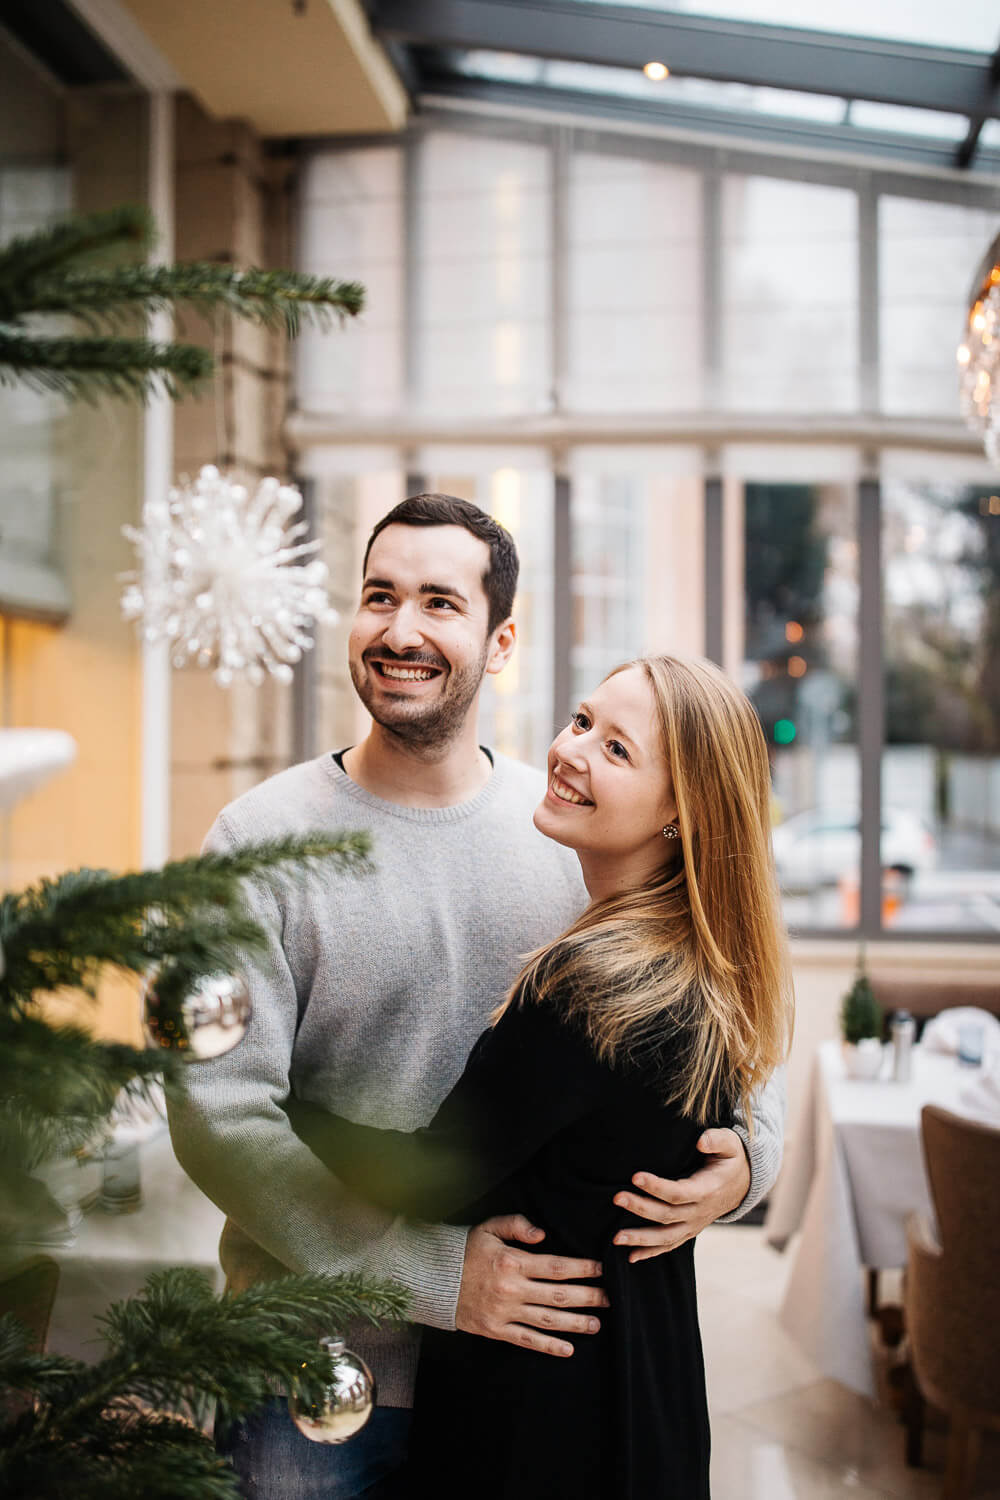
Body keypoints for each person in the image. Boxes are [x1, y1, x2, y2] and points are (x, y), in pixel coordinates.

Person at [168, 496, 787, 1500]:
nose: (400, 630)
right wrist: (437, 1277)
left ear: (499, 641)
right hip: (308, 1374)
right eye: (379, 596)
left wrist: (750, 1154)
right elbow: (215, 1115)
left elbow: (727, 981)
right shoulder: (254, 843)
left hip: (519, 1388)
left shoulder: (575, 837)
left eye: (438, 602)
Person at [291, 652, 794, 1498]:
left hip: (552, 1407)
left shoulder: (596, 987)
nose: (573, 749)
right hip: (648, 1377)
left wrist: (284, 1105)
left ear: (683, 814)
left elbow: (429, 1174)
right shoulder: (694, 965)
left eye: (618, 750)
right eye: (583, 719)